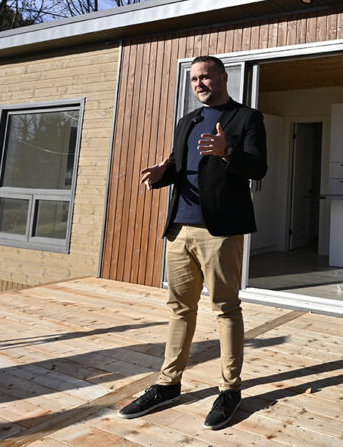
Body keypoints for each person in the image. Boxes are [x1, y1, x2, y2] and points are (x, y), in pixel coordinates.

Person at [119, 55, 267, 430]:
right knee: (179, 309)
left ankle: (230, 390)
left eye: (206, 77)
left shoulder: (246, 118)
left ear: (223, 78)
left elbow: (258, 167)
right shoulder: (186, 120)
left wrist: (226, 151)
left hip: (220, 232)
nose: (199, 83)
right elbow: (179, 163)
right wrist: (163, 172)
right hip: (179, 229)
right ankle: (168, 384)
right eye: (194, 79)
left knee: (225, 308)